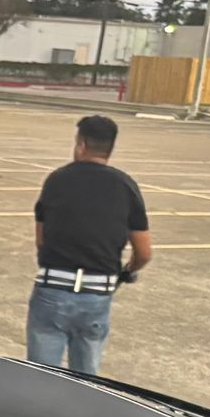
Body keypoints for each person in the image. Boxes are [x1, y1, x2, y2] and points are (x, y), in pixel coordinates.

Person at [27, 115, 152, 376]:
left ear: (81, 145)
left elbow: (41, 239)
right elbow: (143, 252)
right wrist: (126, 272)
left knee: (41, 377)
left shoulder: (57, 180)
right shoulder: (126, 186)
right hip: (97, 294)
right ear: (109, 148)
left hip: (52, 289)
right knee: (86, 378)